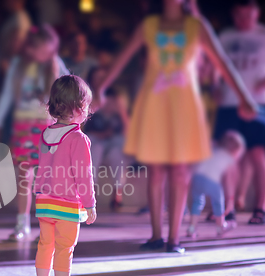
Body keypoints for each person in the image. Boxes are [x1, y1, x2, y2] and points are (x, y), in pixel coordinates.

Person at [98, 0, 257, 253]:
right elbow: (121, 59)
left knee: (180, 171)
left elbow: (222, 63)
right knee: (156, 169)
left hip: (184, 106)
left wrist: (245, 97)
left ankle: (174, 239)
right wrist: (99, 88)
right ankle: (156, 236)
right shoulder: (148, 25)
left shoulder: (196, 26)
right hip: (154, 104)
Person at [0, 24, 69, 241]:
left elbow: (68, 89)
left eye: (51, 50)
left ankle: (52, 222)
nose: (48, 55)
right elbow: (6, 95)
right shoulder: (17, 65)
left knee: (50, 178)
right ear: (32, 48)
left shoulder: (55, 64)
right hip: (23, 126)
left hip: (47, 127)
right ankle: (21, 223)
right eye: (45, 50)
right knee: (25, 176)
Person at [33, 75, 96, 276]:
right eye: (86, 106)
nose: (88, 110)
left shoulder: (45, 134)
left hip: (44, 201)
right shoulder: (78, 138)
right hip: (67, 203)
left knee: (45, 244)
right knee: (64, 248)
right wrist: (90, 204)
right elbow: (84, 175)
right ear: (78, 108)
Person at [214, 0, 265, 225]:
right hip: (228, 103)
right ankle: (228, 207)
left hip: (258, 104)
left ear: (257, 13)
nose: (243, 20)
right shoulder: (225, 36)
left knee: (257, 155)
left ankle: (261, 207)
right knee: (228, 157)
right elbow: (215, 64)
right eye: (239, 15)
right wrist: (215, 86)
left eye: (248, 14)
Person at [83, 66, 129, 210]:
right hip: (94, 140)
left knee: (117, 154)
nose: (100, 82)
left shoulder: (116, 98)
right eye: (96, 78)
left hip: (113, 141)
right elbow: (80, 127)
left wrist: (119, 109)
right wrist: (95, 106)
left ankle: (117, 194)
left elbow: (127, 128)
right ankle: (92, 194)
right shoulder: (85, 97)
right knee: (94, 149)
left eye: (103, 78)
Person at [187, 131, 245, 238]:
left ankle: (191, 228)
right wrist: (231, 198)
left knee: (197, 202)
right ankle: (220, 226)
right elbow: (228, 181)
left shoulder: (212, 148)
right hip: (212, 181)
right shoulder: (228, 158)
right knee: (218, 203)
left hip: (197, 178)